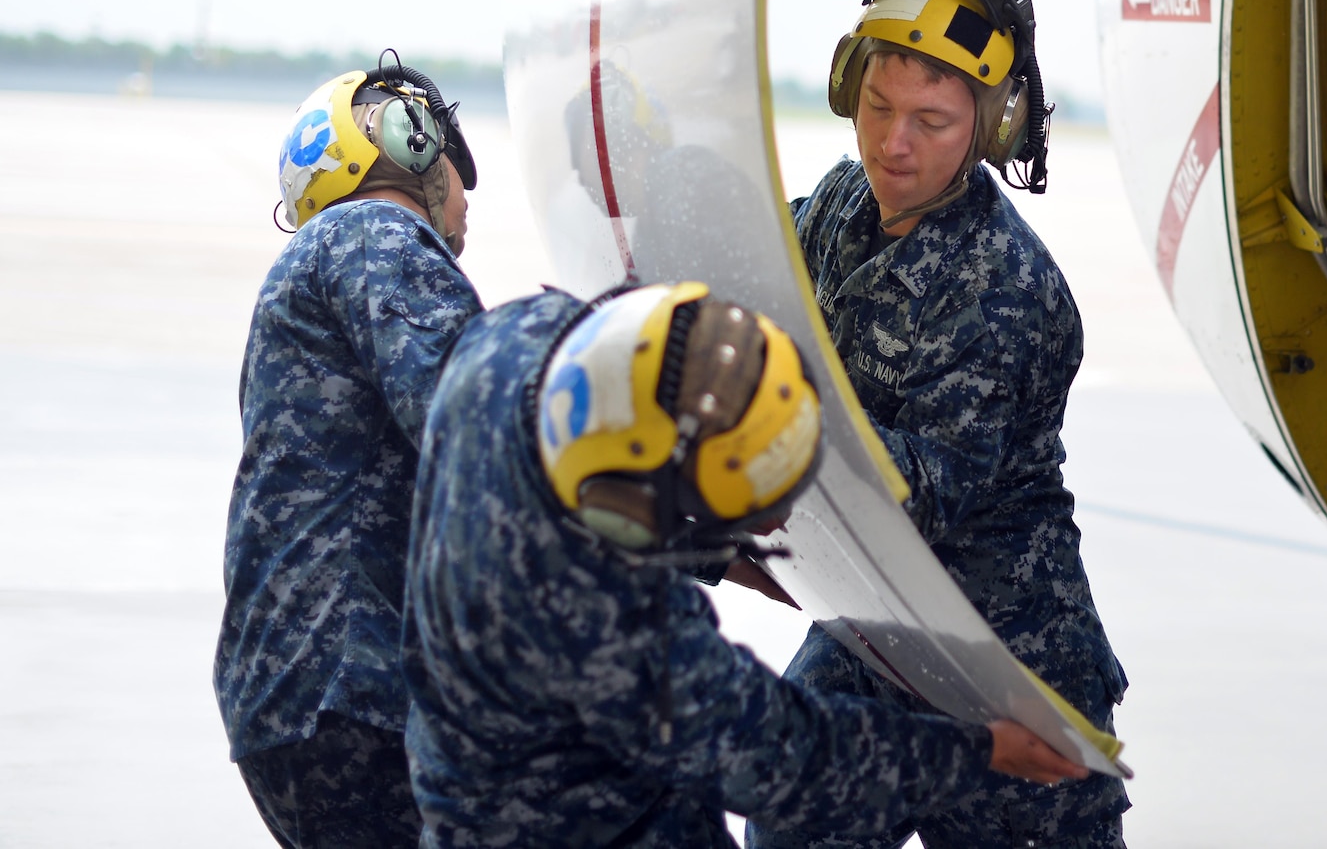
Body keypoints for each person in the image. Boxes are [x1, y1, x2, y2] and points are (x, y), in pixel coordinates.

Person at [400, 281, 1086, 846]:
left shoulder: (514, 343)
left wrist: (726, 551)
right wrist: (976, 751)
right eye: (754, 507)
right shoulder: (607, 617)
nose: (781, 522)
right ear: (646, 509)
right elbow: (779, 752)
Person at [747, 0, 1129, 849]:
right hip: (877, 633)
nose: (894, 143)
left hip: (1008, 668)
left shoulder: (1007, 286)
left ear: (991, 130)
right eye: (877, 106)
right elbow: (752, 299)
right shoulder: (842, 206)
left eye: (932, 120)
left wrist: (751, 460)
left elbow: (914, 494)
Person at [215, 61, 482, 847]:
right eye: (463, 175)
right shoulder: (377, 234)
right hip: (355, 688)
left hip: (299, 690)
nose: (468, 207)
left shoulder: (319, 260)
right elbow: (482, 430)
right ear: (415, 142)